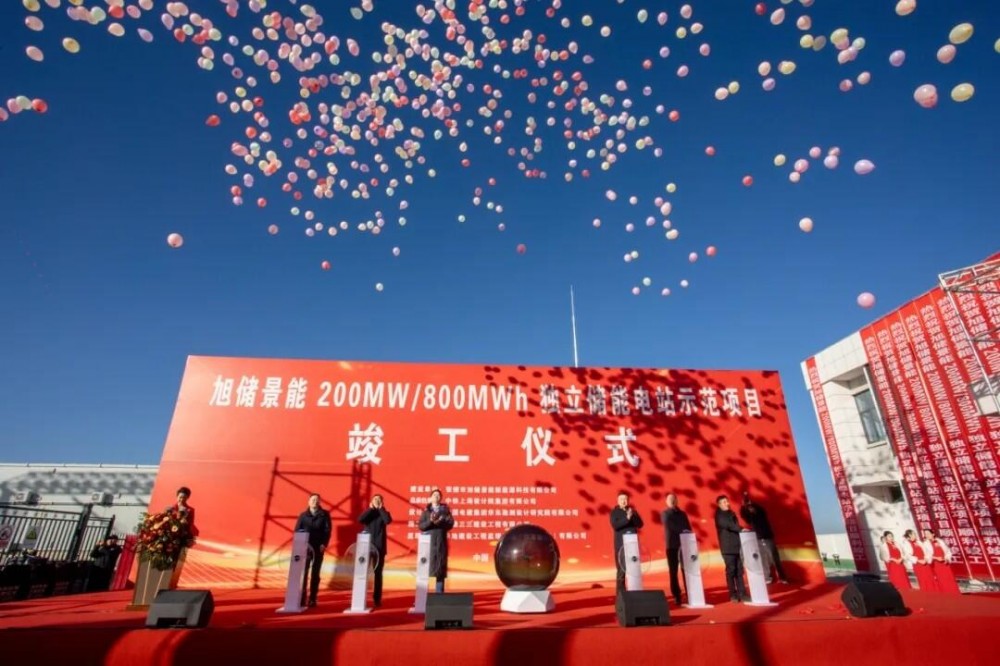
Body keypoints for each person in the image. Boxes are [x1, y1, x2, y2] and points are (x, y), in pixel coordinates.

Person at [740, 492, 788, 584]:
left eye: (752, 508)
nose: (751, 509)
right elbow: (744, 515)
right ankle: (767, 577)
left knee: (774, 558)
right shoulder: (750, 518)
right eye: (749, 508)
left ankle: (783, 578)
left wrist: (752, 504)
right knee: (763, 559)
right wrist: (743, 506)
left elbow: (760, 509)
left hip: (767, 537)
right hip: (758, 539)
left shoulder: (761, 513)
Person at [295, 493, 332, 607]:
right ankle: (302, 598)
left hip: (318, 548)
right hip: (305, 548)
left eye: (317, 500)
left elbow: (327, 531)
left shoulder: (325, 515)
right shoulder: (303, 516)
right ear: (309, 502)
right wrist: (299, 545)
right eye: (313, 499)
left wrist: (324, 544)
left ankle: (313, 598)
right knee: (304, 573)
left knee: (315, 574)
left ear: (320, 502)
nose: (315, 501)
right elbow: (297, 530)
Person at [358, 493, 392, 607]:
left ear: (382, 502)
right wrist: (371, 509)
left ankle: (377, 599)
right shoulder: (369, 513)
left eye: (379, 499)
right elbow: (360, 519)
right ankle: (360, 597)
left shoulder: (384, 513)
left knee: (378, 573)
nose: (377, 501)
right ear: (371, 501)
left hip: (379, 547)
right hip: (367, 546)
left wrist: (380, 509)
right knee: (363, 571)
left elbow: (387, 521)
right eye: (375, 499)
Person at [714, 495, 750, 603]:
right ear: (719, 504)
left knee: (739, 571)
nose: (727, 503)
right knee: (731, 571)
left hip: (736, 546)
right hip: (727, 548)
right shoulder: (719, 515)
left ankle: (742, 593)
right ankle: (733, 594)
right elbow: (729, 525)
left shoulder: (731, 513)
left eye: (727, 501)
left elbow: (734, 524)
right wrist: (741, 529)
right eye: (724, 502)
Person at [418, 489, 454, 593]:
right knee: (425, 569)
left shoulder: (445, 511)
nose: (436, 496)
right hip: (428, 544)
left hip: (440, 543)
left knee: (440, 570)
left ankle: (439, 596)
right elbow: (421, 526)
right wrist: (431, 521)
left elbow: (450, 524)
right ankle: (423, 595)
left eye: (438, 495)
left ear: (441, 498)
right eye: (434, 495)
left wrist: (441, 521)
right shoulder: (426, 511)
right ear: (430, 498)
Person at [610, 491, 644, 594]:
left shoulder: (632, 511)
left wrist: (632, 515)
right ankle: (621, 595)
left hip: (632, 545)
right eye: (621, 499)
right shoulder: (614, 512)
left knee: (634, 569)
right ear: (618, 501)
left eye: (625, 499)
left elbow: (640, 524)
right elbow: (615, 525)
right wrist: (627, 518)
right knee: (622, 571)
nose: (624, 501)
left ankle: (635, 592)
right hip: (621, 546)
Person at [661, 493, 691, 605]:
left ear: (677, 500)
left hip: (684, 545)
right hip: (672, 546)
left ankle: (690, 592)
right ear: (666, 502)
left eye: (674, 499)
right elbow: (671, 526)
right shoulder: (665, 514)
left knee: (686, 570)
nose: (672, 501)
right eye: (670, 500)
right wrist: (683, 531)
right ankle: (677, 595)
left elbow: (688, 527)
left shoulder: (683, 514)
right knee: (673, 571)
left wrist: (689, 534)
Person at [923, 528, 961, 594]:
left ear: (933, 534)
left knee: (949, 578)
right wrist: (936, 558)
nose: (927, 535)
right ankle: (945, 594)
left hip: (945, 563)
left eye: (928, 534)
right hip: (936, 564)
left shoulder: (940, 541)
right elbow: (926, 555)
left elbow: (948, 551)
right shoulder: (925, 544)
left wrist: (947, 558)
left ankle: (954, 593)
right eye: (925, 534)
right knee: (941, 579)